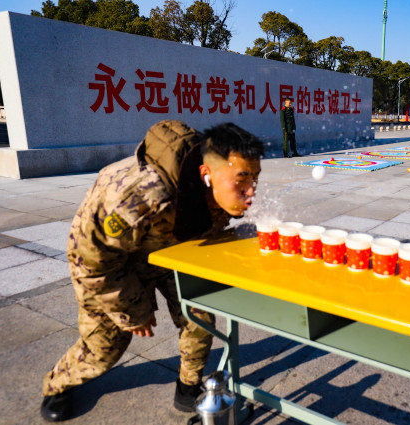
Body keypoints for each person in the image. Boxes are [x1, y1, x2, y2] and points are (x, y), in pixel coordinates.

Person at [40, 120, 263, 422]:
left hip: (167, 251)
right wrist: (133, 310)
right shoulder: (139, 197)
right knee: (105, 346)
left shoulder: (218, 183)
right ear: (206, 174)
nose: (251, 191)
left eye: (256, 177)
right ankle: (57, 384)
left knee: (199, 315)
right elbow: (94, 263)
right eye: (242, 179)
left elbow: (207, 227)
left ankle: (188, 386)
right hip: (107, 261)